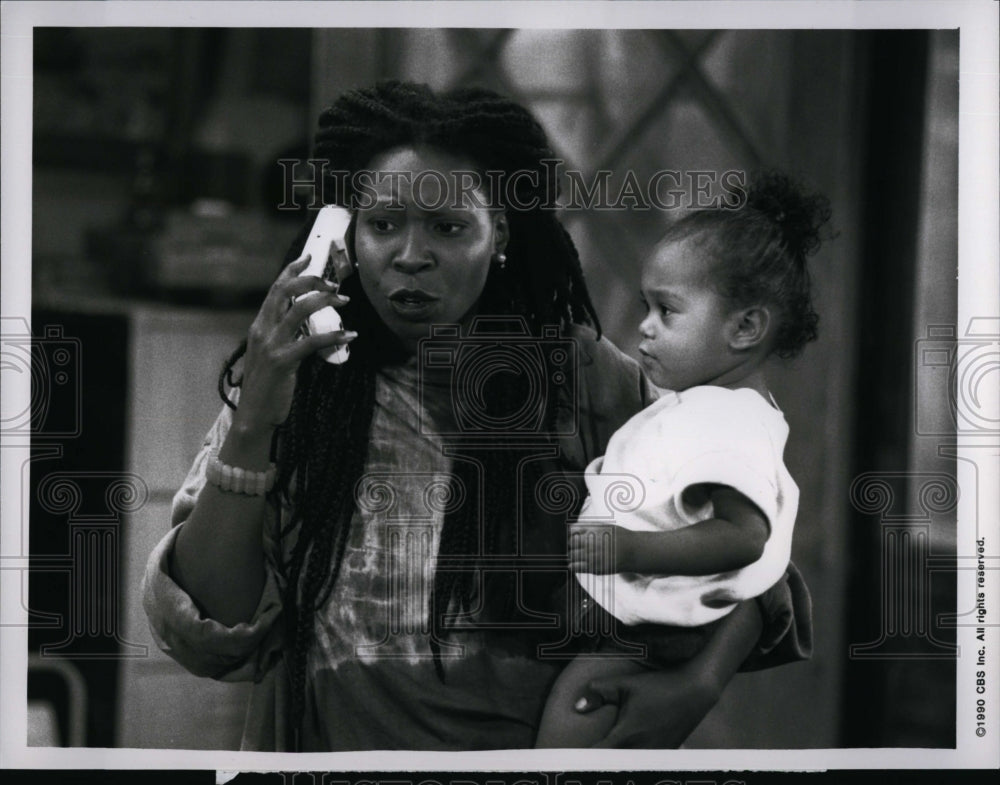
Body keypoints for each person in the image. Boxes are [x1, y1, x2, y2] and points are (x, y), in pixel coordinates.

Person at [142, 81, 812, 752]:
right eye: (382, 225)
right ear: (343, 236)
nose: (411, 255)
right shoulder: (301, 383)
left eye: (448, 226)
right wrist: (255, 415)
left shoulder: (581, 379)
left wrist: (699, 680)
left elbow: (751, 551)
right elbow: (208, 630)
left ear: (500, 235)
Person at [534, 172, 826, 747]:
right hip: (649, 620)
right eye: (647, 306)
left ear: (745, 327)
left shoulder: (728, 421)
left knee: (574, 714)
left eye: (667, 311)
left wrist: (632, 548)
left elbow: (745, 538)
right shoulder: (704, 406)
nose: (643, 326)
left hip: (657, 637)